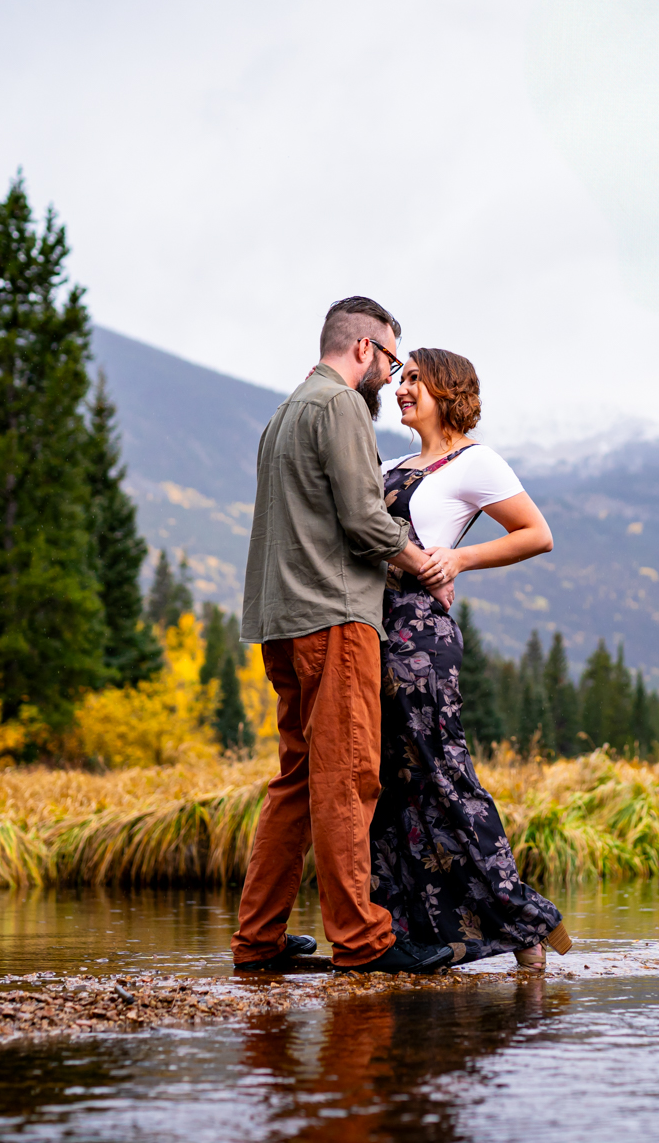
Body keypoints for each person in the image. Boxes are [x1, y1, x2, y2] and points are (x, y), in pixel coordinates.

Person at [230, 297, 456, 975]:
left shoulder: (284, 415)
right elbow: (363, 518)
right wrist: (424, 564)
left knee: (297, 779)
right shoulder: (342, 408)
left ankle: (258, 938)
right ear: (364, 349)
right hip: (333, 618)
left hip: (282, 621)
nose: (391, 377)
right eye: (390, 360)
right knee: (348, 776)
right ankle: (363, 939)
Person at [371, 347, 573, 968]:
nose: (403, 389)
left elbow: (536, 534)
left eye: (415, 381)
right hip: (374, 632)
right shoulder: (393, 463)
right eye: (401, 379)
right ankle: (412, 935)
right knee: (390, 790)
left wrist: (458, 559)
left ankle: (525, 926)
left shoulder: (474, 461)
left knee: (442, 775)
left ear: (447, 390)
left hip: (421, 641)